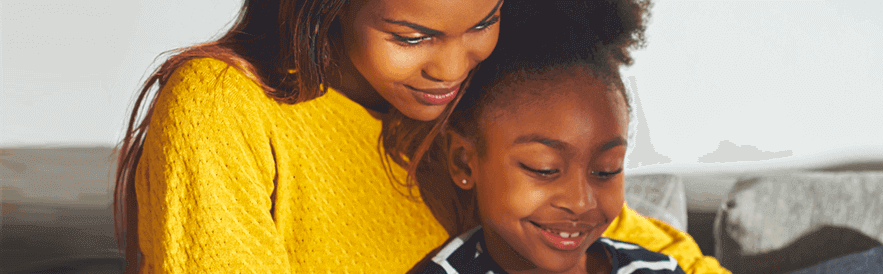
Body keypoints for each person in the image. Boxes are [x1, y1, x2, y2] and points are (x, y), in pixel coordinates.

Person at [113, 0, 716, 273]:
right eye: (410, 36)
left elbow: (607, 233)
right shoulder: (225, 105)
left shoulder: (469, 101)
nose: (452, 69)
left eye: (483, 22)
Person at [410, 50, 681, 274]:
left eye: (605, 170)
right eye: (544, 169)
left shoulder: (656, 269)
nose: (580, 203)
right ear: (464, 163)